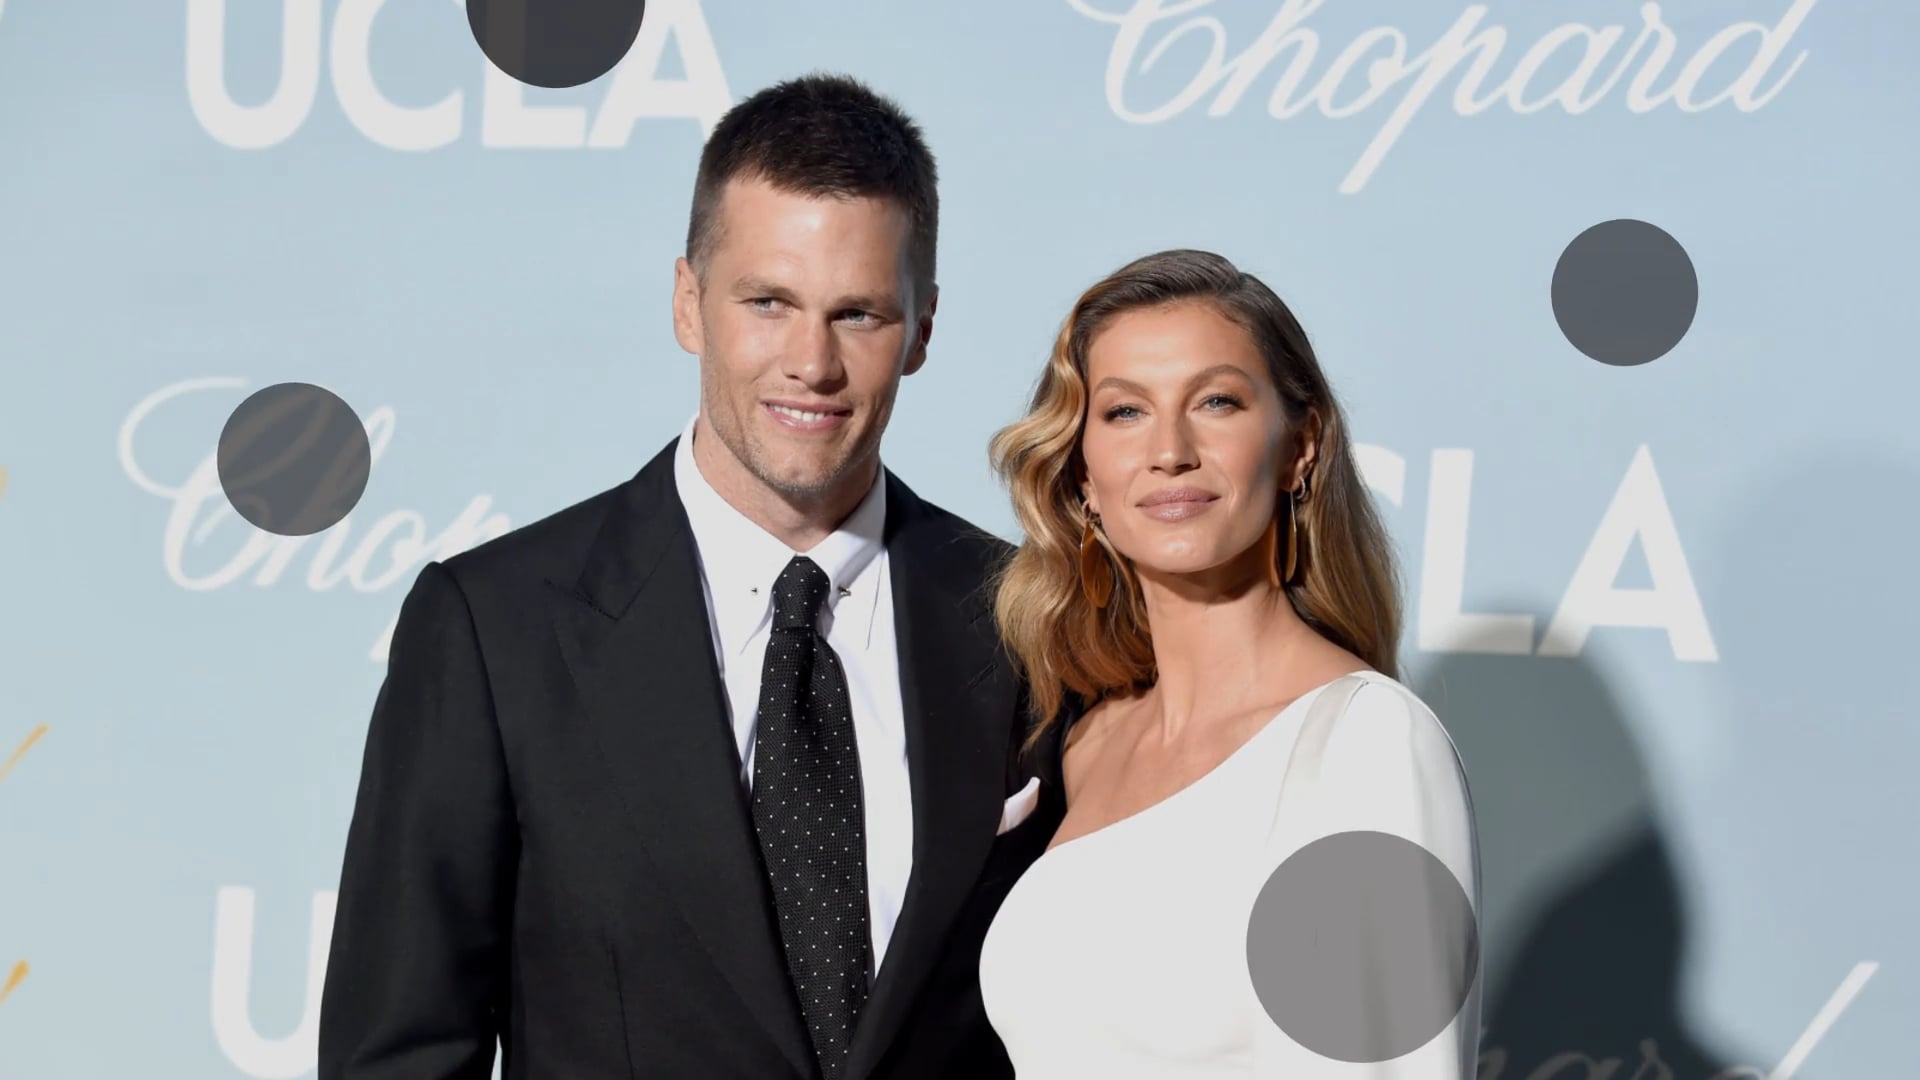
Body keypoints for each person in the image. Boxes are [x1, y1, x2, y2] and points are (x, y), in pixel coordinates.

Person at [317, 73, 1063, 1080]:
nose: (811, 362)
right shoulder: (496, 629)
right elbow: (398, 1055)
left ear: (922, 329)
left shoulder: (1029, 619)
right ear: (687, 303)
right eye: (768, 302)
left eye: (858, 314)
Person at [977, 249, 1483, 1076]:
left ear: (1300, 447)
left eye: (1216, 402)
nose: (1170, 450)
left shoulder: (1365, 742)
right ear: (1083, 478)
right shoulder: (1087, 746)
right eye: (1125, 412)